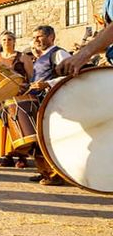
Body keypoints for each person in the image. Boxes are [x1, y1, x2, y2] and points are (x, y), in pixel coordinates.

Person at [28, 25, 71, 186]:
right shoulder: (41, 57)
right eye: (34, 37)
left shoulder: (58, 54)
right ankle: (44, 171)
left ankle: (56, 175)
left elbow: (72, 75)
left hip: (54, 102)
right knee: (40, 139)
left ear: (51, 37)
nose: (36, 40)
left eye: (39, 36)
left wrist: (47, 84)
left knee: (51, 138)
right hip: (40, 102)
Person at [0, 31, 33, 168]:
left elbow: (31, 77)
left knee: (18, 125)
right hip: (2, 97)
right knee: (4, 126)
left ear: (14, 41)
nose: (7, 42)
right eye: (4, 40)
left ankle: (21, 156)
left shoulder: (23, 57)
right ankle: (7, 155)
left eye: (9, 39)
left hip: (19, 96)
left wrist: (25, 86)